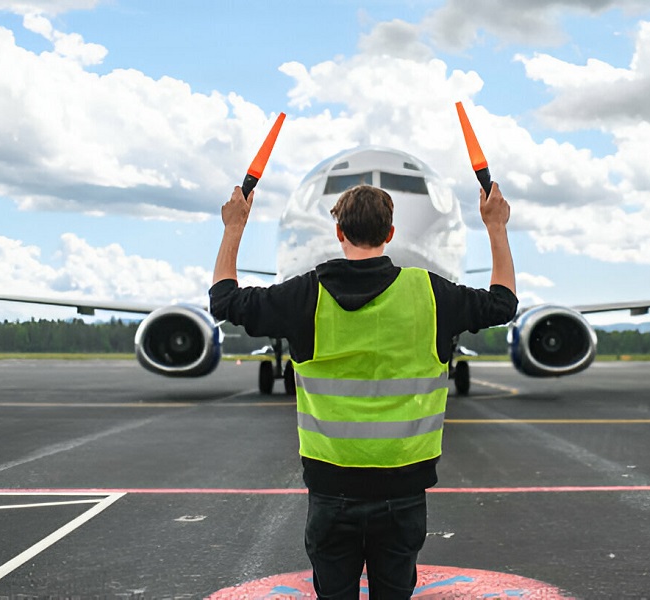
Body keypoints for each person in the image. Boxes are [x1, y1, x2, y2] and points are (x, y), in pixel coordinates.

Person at [210, 182, 517, 599]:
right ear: (390, 234)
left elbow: (224, 301)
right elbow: (502, 304)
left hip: (330, 490)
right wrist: (496, 226)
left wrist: (234, 226)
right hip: (403, 491)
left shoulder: (305, 295)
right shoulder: (429, 292)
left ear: (339, 233)